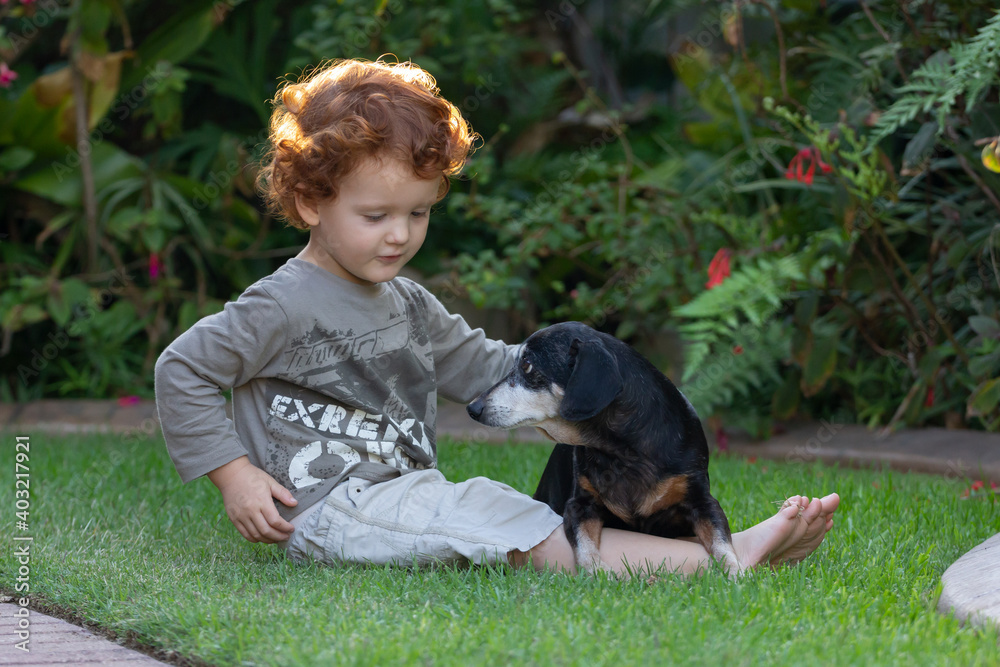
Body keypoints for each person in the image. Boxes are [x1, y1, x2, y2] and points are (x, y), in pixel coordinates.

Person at [154, 58, 839, 577]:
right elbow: (181, 369)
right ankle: (726, 558)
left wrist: (595, 377)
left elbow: (489, 367)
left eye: (418, 212)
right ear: (310, 201)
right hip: (325, 509)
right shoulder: (282, 304)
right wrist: (235, 474)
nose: (400, 234)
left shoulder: (408, 303)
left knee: (509, 510)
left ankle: (691, 549)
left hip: (403, 494)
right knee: (497, 519)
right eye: (376, 215)